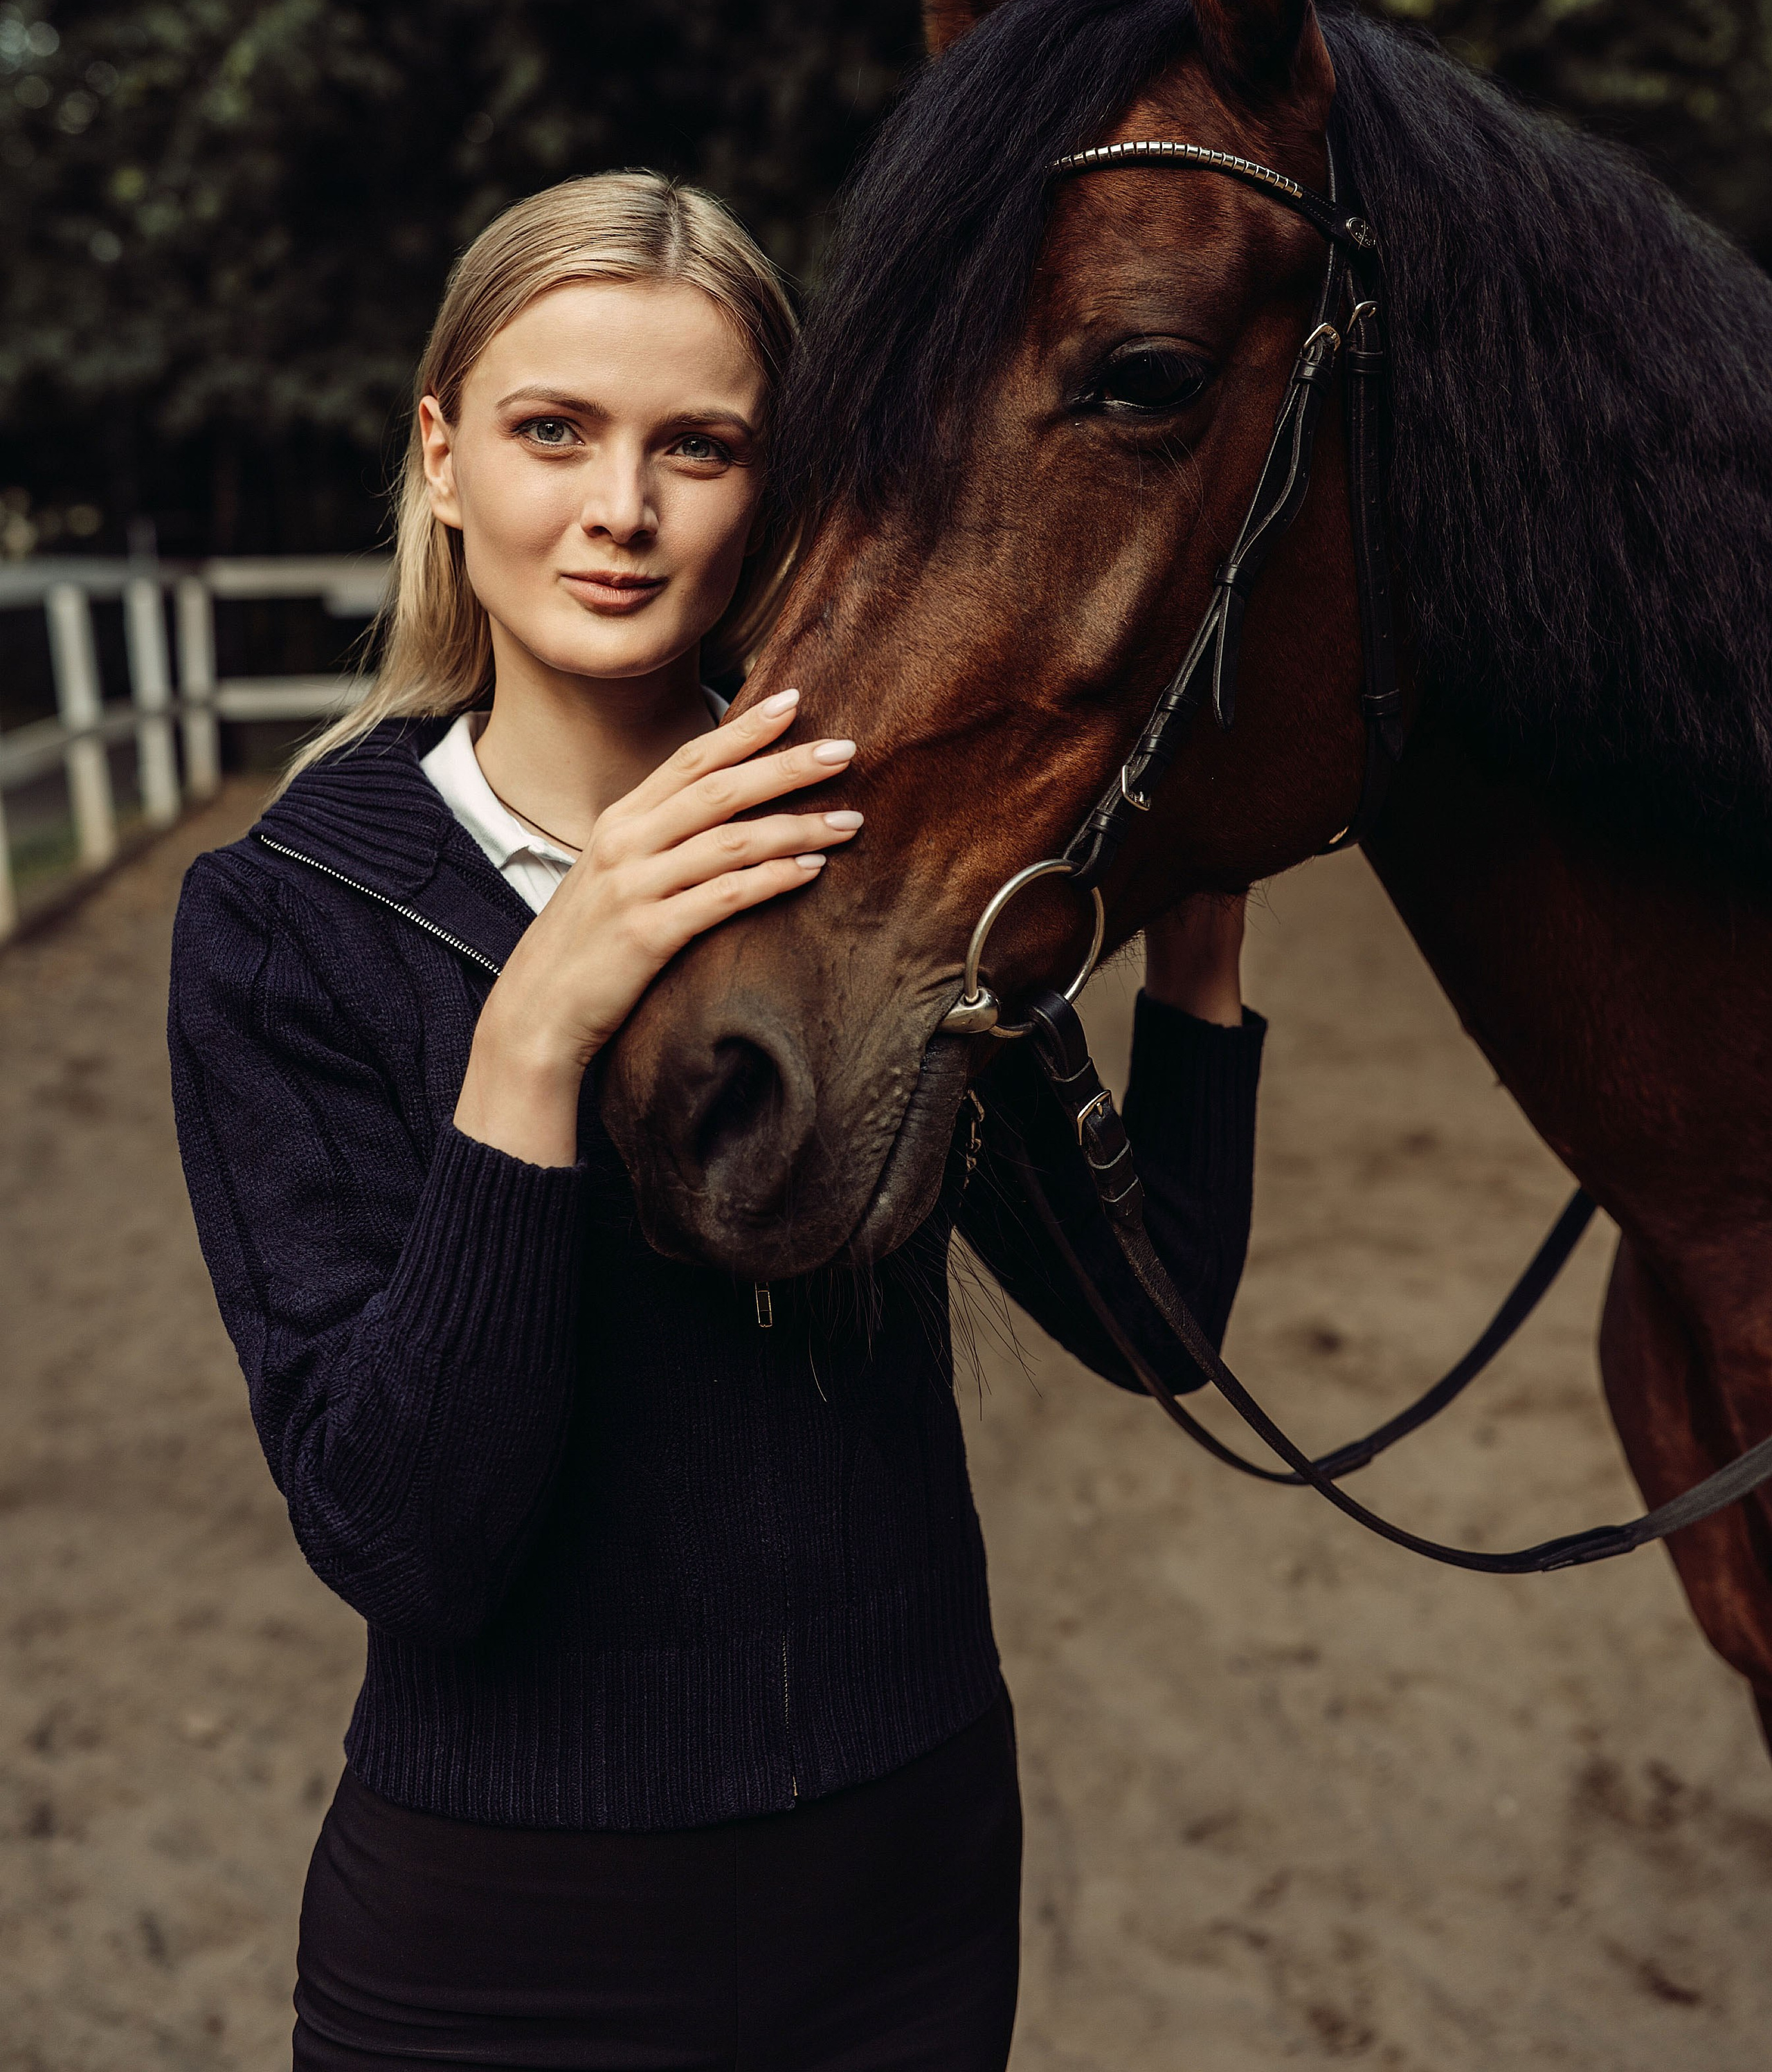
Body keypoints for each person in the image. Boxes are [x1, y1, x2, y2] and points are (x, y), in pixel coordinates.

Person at [167, 171, 1263, 2072]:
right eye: (551, 432)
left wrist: (1199, 950)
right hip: (509, 1936)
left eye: (700, 445)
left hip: (909, 1873)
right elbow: (407, 1540)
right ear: (441, 459)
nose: (621, 509)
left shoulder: (869, 856)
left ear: (775, 488)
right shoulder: (284, 921)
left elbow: (1155, 1316)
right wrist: (533, 1038)